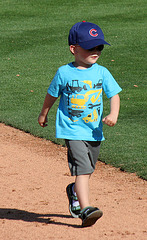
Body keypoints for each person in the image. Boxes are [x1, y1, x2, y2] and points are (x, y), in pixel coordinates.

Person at [38, 21, 122, 227]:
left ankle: (74, 192)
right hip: (72, 129)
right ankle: (86, 209)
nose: (95, 51)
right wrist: (43, 114)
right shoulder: (64, 72)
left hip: (94, 131)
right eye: (89, 47)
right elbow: (52, 95)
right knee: (83, 170)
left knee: (89, 169)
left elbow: (114, 94)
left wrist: (113, 114)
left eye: (99, 47)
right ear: (73, 49)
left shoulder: (101, 72)